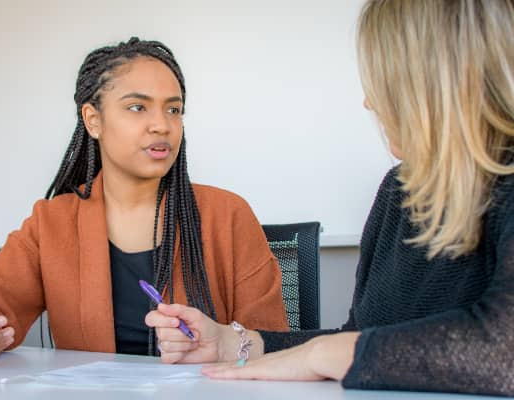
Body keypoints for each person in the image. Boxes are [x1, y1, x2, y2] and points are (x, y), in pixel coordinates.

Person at [146, 0, 514, 396]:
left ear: (437, 83)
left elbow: (503, 351)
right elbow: (361, 338)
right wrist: (233, 343)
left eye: (383, 81)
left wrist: (325, 354)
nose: (369, 103)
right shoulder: (400, 190)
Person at [0, 37, 288, 365]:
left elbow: (274, 342)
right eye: (138, 107)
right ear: (93, 120)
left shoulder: (228, 214)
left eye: (173, 109)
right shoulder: (52, 223)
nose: (162, 124)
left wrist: (229, 343)